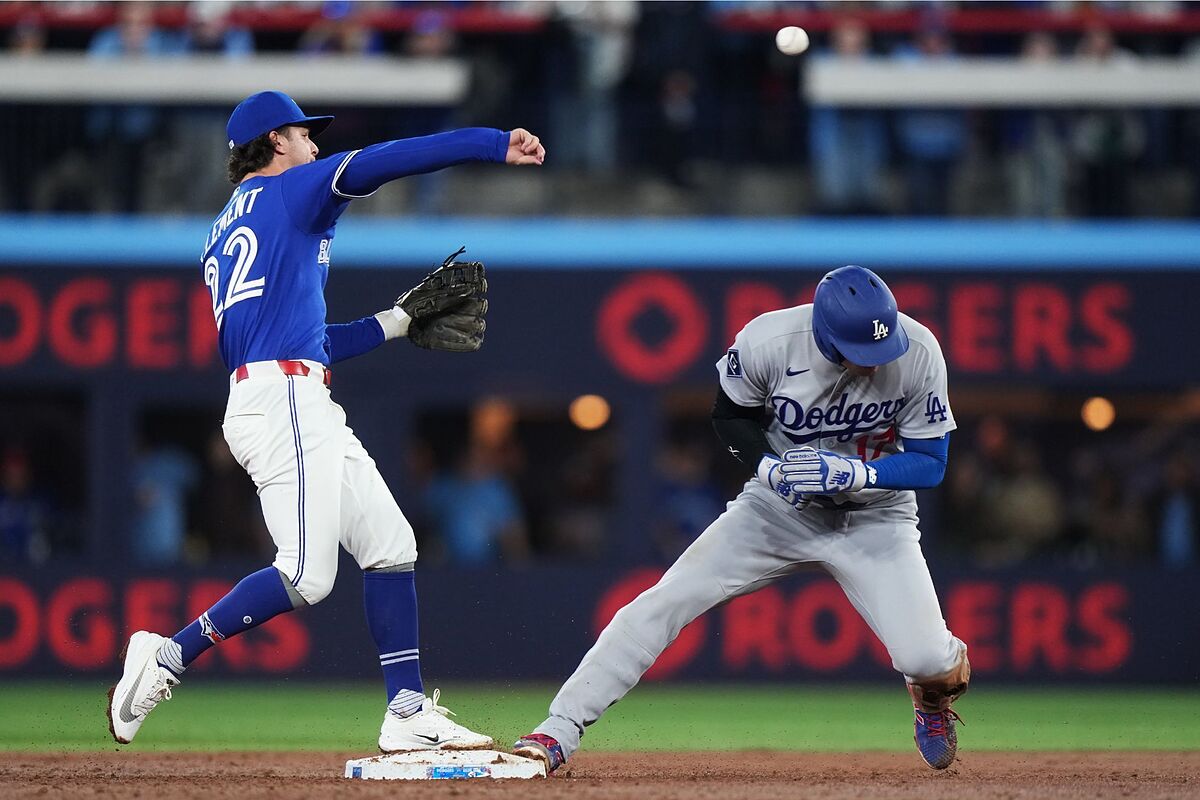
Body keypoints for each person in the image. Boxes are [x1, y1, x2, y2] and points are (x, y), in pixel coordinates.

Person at [108, 90, 544, 752]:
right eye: (305, 133)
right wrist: (489, 142)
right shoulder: (294, 190)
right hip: (284, 400)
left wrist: (397, 322)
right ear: (276, 140)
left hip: (283, 388)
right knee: (306, 576)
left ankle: (404, 711)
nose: (315, 143)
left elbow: (306, 343)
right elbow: (385, 159)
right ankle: (167, 655)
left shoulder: (224, 226)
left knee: (392, 543)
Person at [515, 265, 969, 772]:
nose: (872, 362)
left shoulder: (919, 350)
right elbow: (729, 417)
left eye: (879, 350)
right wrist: (767, 468)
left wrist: (856, 474)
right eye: (859, 352)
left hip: (876, 515)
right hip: (777, 512)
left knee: (927, 660)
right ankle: (558, 730)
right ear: (824, 332)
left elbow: (931, 463)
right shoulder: (768, 341)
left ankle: (930, 701)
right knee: (664, 601)